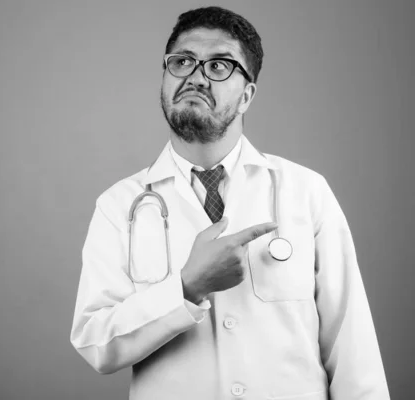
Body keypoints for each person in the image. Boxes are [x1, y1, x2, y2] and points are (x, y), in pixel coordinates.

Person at [70, 6, 389, 400]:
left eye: (219, 65)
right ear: (165, 76)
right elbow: (94, 342)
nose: (195, 76)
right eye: (182, 61)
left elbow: (351, 345)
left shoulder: (306, 191)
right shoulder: (119, 205)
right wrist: (186, 288)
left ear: (246, 95)